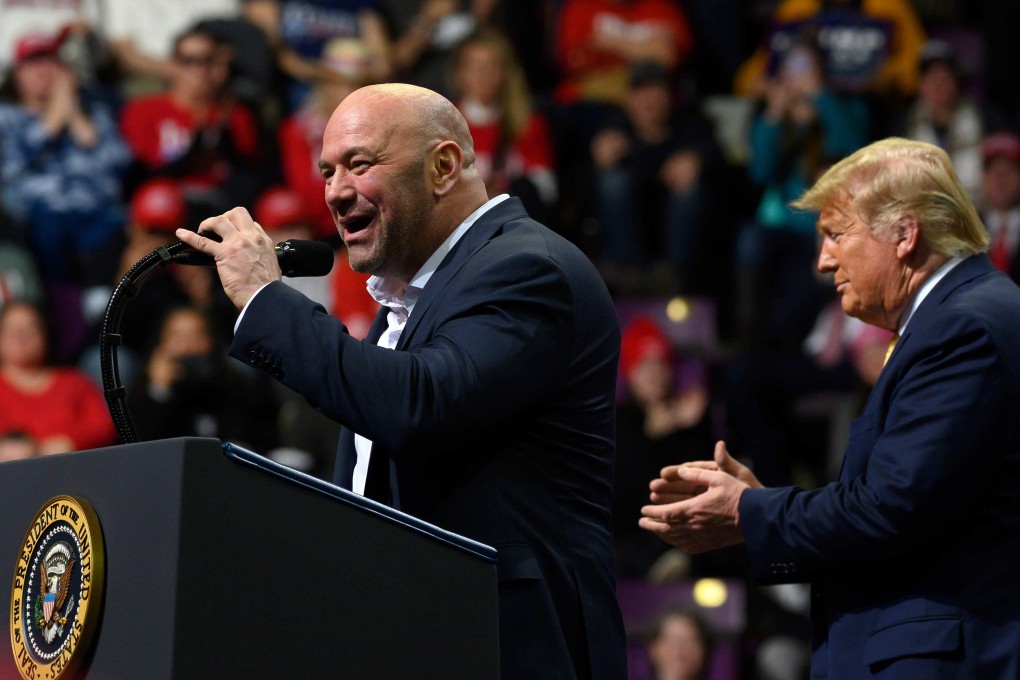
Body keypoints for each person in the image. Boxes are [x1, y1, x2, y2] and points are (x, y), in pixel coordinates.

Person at [176, 82, 627, 679]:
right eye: (327, 170)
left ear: (442, 167)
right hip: (417, 632)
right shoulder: (407, 303)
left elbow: (418, 404)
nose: (336, 192)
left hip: (511, 646)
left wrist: (265, 300)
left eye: (359, 165)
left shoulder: (525, 268)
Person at [640, 137, 1020, 678]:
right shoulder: (962, 318)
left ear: (905, 234)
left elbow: (890, 508)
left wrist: (750, 513)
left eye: (836, 235)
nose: (822, 260)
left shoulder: (962, 329)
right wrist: (758, 509)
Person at [0, 301, 116, 455]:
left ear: (45, 334)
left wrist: (68, 443)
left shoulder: (75, 383)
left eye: (29, 329)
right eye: (11, 330)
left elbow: (104, 428)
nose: (20, 337)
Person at [979, 131, 1020, 283]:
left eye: (1008, 170)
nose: (1000, 179)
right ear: (983, 178)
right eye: (993, 171)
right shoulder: (968, 229)